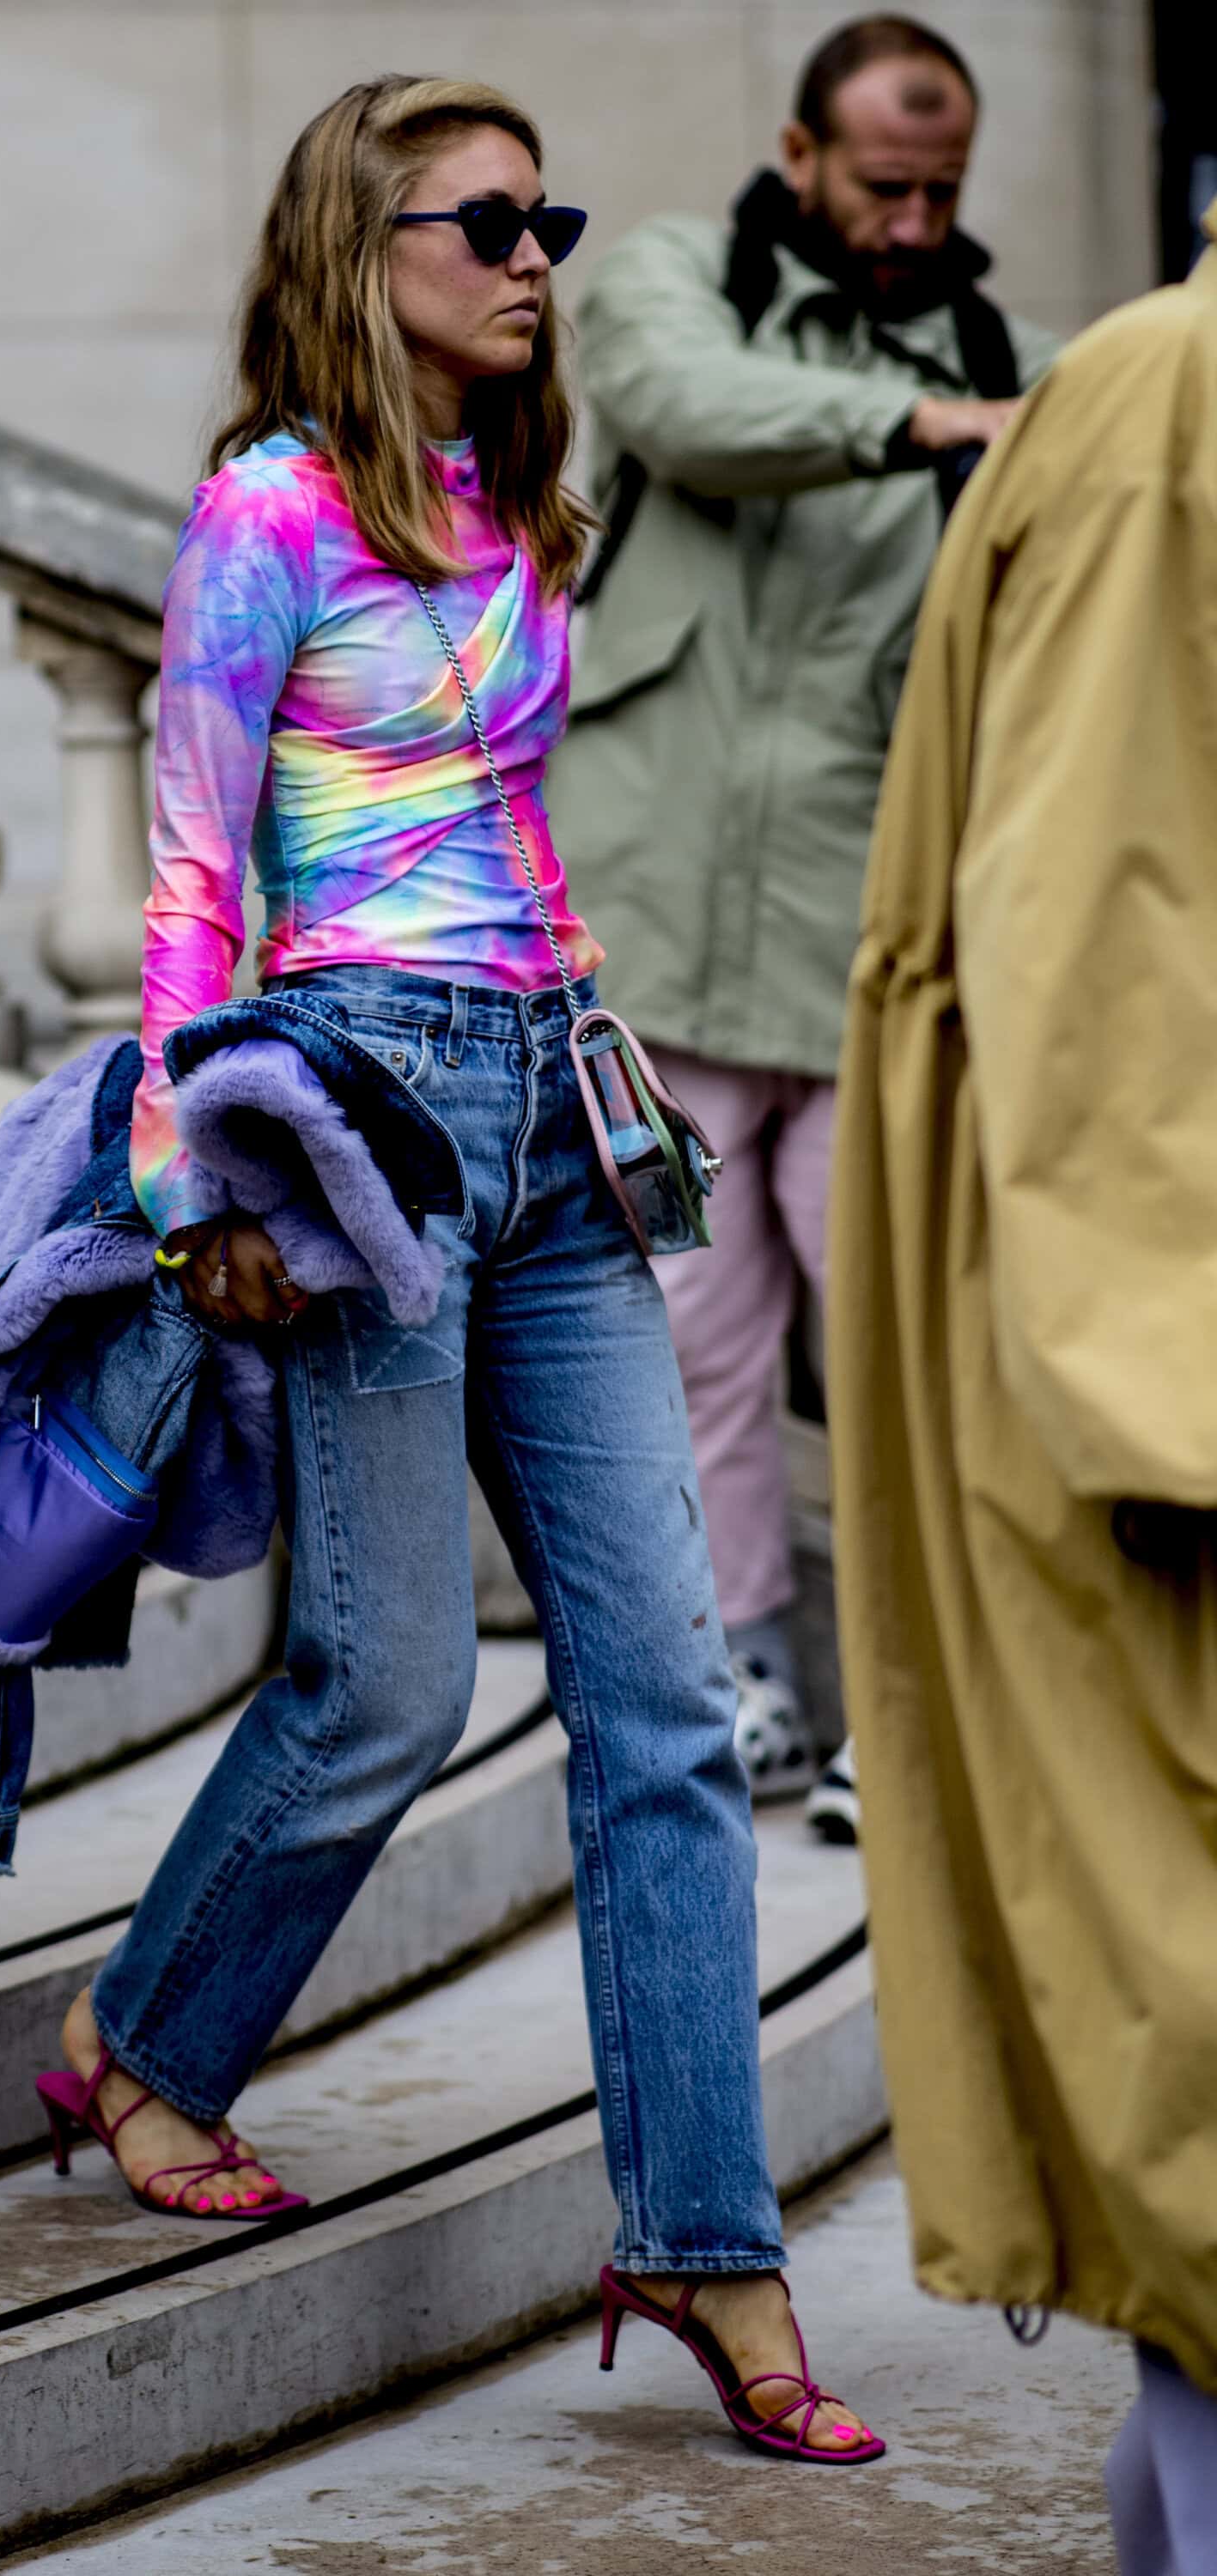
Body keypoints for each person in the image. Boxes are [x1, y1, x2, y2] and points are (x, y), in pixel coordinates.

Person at [43, 74, 882, 2463]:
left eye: (550, 223)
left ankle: (703, 2238)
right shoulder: (267, 509)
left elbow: (508, 818)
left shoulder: (513, 502)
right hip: (361, 1126)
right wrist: (194, 1181)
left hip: (550, 1116)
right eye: (490, 223)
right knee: (393, 1682)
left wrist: (586, 1019)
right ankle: (148, 2039)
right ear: (365, 245)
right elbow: (197, 864)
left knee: (667, 1705)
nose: (536, 261)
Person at [547, 15, 1057, 1814]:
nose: (916, 221)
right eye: (884, 184)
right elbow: (688, 409)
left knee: (906, 1348)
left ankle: (905, 1712)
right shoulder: (677, 280)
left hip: (867, 952)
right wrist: (926, 427)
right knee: (693, 1343)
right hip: (653, 938)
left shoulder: (1016, 367)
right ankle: (742, 1677)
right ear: (800, 153)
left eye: (943, 189)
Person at [827, 217, 1217, 2565]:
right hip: (1153, 1388)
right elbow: (1089, 941)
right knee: (1184, 2054)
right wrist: (1166, 1392)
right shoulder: (1171, 396)